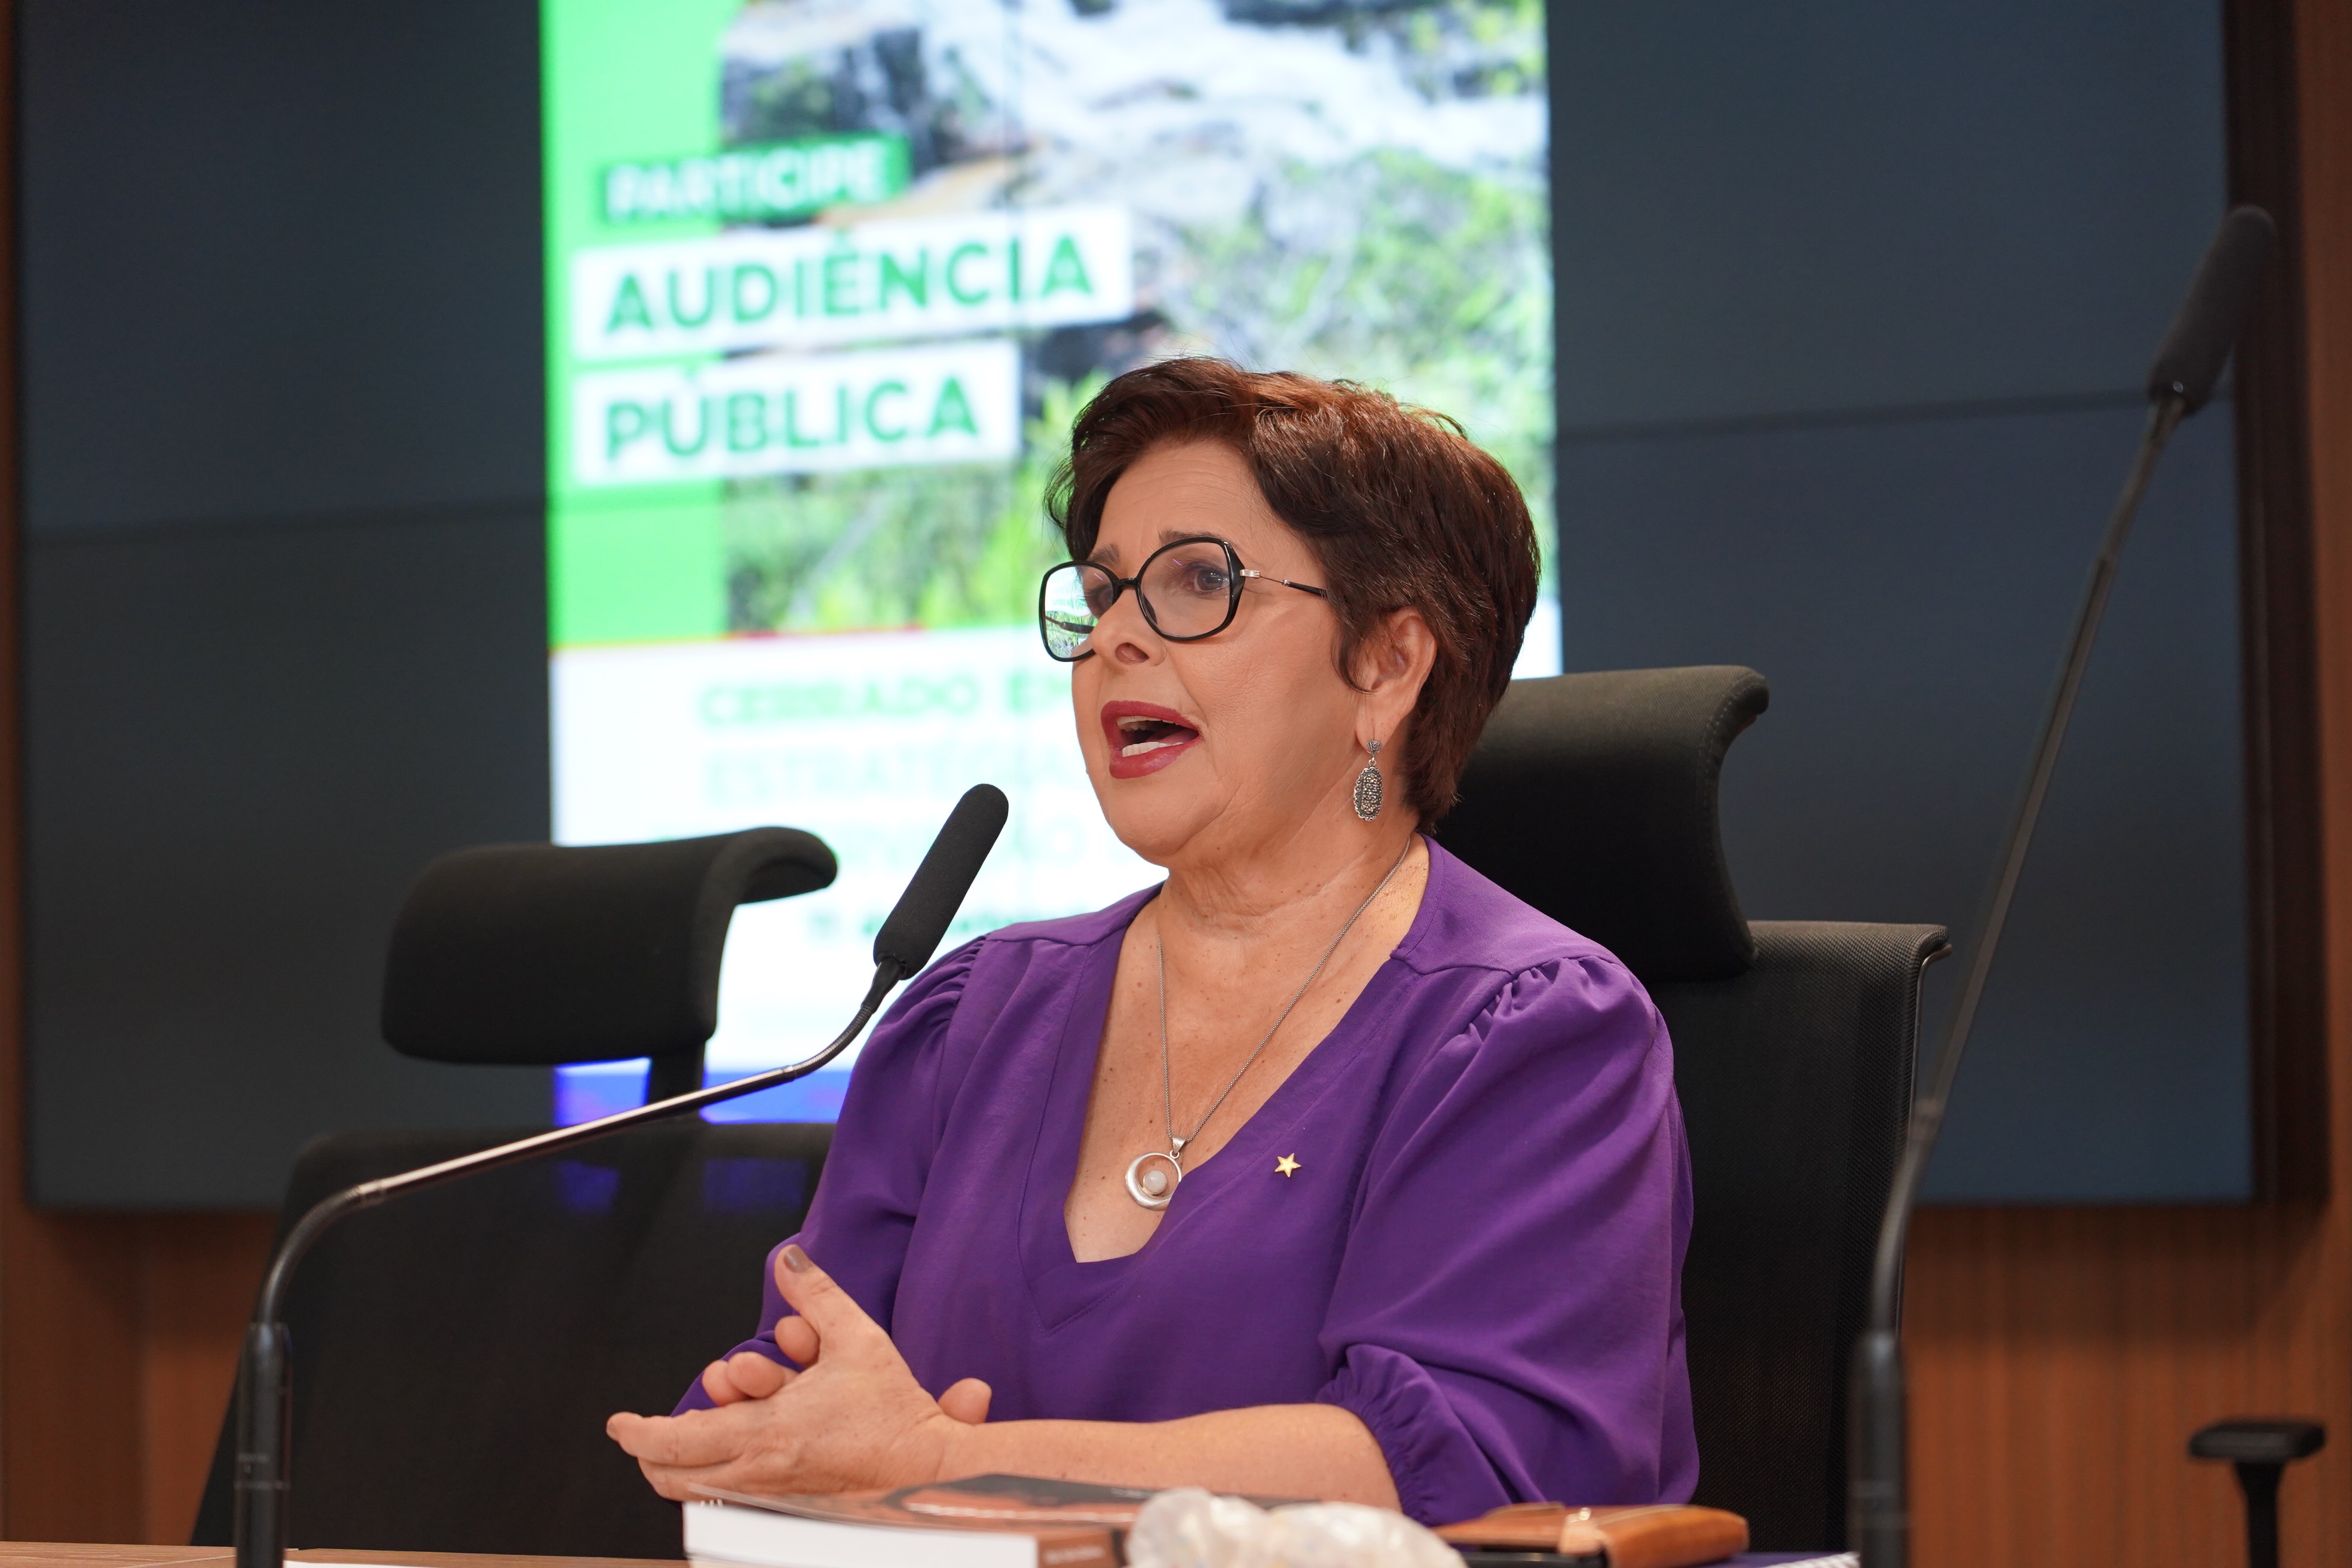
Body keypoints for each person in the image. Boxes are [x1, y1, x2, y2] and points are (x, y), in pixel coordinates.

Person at [606, 358, 1696, 1524]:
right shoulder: (968, 1020)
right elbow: (820, 1394)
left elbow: (1463, 1470)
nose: (1116, 635)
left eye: (1198, 581)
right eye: (1102, 592)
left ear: (1386, 664)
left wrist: (942, 1463)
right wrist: (764, 1432)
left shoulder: (1532, 1034)